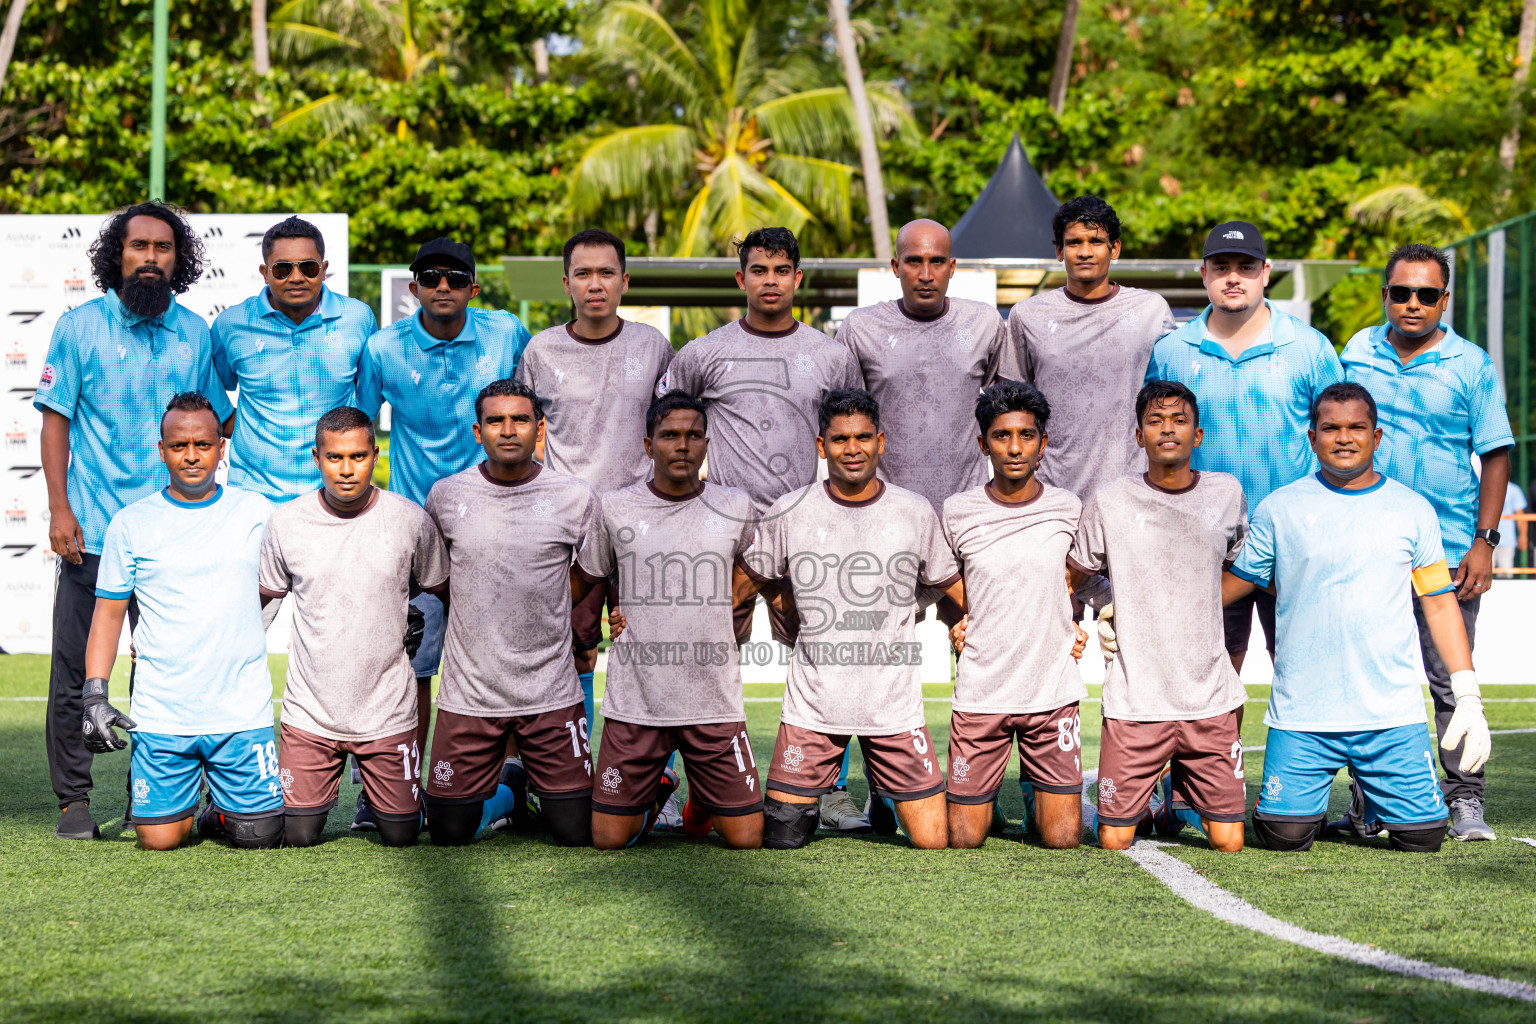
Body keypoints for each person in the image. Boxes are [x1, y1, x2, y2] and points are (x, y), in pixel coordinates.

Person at [35, 201, 233, 840]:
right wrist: (60, 508)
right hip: (91, 531)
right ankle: (74, 801)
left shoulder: (194, 334)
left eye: (163, 248)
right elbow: (55, 419)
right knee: (75, 670)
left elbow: (209, 423)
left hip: (172, 536)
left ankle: (154, 794)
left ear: (180, 260)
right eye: (138, 246)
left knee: (169, 668)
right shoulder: (77, 328)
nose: (150, 257)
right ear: (115, 256)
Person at [1225, 383, 1491, 854]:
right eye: (1330, 428)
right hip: (1303, 715)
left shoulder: (1412, 510)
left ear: (1377, 436)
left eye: (1356, 428)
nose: (1343, 438)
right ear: (1312, 438)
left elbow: (1438, 602)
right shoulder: (1280, 508)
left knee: (1424, 838)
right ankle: (1330, 804)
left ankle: (1368, 801)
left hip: (1390, 715)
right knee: (1282, 837)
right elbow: (1237, 584)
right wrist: (1142, 609)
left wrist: (1467, 692)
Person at [662, 225, 861, 829]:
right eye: (759, 270)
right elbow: (675, 422)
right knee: (704, 657)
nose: (769, 280)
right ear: (741, 278)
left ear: (797, 279)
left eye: (781, 270)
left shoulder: (831, 355)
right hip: (724, 532)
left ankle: (829, 788)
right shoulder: (702, 353)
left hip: (808, 529)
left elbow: (851, 432)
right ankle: (683, 786)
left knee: (825, 656)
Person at [354, 237, 531, 829]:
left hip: (496, 525)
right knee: (412, 671)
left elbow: (533, 418)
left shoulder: (506, 333)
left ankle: (507, 787)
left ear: (473, 288)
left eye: (455, 278)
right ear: (414, 289)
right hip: (417, 535)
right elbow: (357, 430)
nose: (442, 288)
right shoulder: (381, 347)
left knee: (500, 661)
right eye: (430, 278)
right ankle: (397, 784)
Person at [1338, 243, 1513, 842]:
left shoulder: (1471, 364)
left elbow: (1495, 453)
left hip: (1449, 549)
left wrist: (1485, 541)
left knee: (1448, 679)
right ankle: (1370, 805)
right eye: (1401, 293)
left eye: (1427, 294)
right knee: (1372, 679)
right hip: (1368, 544)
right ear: (1385, 294)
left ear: (1445, 299)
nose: (1413, 304)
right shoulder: (1357, 350)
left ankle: (1464, 802)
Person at [746, 388, 965, 851]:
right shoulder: (791, 509)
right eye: (840, 439)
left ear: (881, 442)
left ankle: (885, 796)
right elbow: (746, 580)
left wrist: (969, 623)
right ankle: (870, 792)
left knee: (934, 841)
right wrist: (782, 605)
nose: (852, 449)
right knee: (779, 838)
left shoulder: (913, 510)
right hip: (813, 707)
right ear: (820, 446)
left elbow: (952, 586)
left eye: (863, 437)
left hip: (892, 706)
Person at [79, 393, 280, 851]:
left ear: (221, 447)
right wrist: (94, 694)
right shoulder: (131, 524)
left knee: (261, 837)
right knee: (158, 839)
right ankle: (193, 804)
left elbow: (301, 578)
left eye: (203, 445)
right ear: (162, 449)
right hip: (164, 712)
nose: (192, 456)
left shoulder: (255, 512)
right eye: (179, 446)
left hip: (240, 710)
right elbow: (108, 615)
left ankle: (221, 808)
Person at [1145, 221, 1342, 671]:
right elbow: (1155, 445)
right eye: (1222, 266)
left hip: (1293, 541)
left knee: (1302, 671)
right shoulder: (1171, 351)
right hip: (1203, 543)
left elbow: (1341, 442)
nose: (1234, 276)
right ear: (1204, 274)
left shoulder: (1310, 348)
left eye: (1246, 266)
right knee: (1207, 676)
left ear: (1266, 272)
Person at [575, 391, 765, 850]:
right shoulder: (616, 506)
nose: (683, 445)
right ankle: (660, 788)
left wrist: (732, 619)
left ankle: (702, 802)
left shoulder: (735, 506)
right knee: (606, 841)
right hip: (637, 704)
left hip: (713, 702)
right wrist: (602, 624)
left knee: (747, 840)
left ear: (706, 443)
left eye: (694, 435)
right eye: (670, 435)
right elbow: (589, 579)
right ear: (648, 445)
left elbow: (757, 571)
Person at [1067, 381, 1248, 853]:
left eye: (1179, 421)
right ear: (1138, 435)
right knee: (1113, 839)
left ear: (1198, 435)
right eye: (1155, 421)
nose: (1168, 430)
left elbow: (1245, 566)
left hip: (1206, 695)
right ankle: (1148, 801)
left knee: (1229, 842)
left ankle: (1178, 798)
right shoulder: (1111, 499)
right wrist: (1109, 603)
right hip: (1136, 696)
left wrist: (1202, 602)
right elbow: (1078, 571)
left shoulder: (1226, 492)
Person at [258, 406, 449, 848]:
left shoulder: (409, 519)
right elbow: (261, 608)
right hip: (311, 711)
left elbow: (445, 592)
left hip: (385, 709)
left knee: (402, 835)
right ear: (316, 458)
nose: (347, 469)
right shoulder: (287, 522)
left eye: (358, 457)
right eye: (335, 458)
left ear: (375, 454)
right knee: (296, 833)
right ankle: (225, 811)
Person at [424, 380, 600, 847]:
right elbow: (437, 577)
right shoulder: (446, 496)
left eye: (520, 420)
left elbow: (594, 569)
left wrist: (553, 603)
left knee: (578, 832)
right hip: (470, 694)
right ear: (477, 432)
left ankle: (523, 783)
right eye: (496, 421)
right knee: (446, 831)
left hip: (551, 691)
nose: (508, 430)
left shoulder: (574, 496)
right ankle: (510, 791)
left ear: (538, 430)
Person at [514, 229, 674, 733]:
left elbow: (673, 430)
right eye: (583, 274)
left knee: (646, 656)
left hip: (640, 530)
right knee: (572, 656)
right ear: (566, 283)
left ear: (624, 281)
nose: (595, 284)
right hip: (568, 532)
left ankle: (656, 788)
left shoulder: (653, 347)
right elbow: (520, 435)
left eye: (606, 272)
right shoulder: (541, 351)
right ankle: (574, 772)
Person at [942, 381, 1089, 849]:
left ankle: (1034, 795)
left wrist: (1074, 622)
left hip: (1050, 689)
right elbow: (943, 580)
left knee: (1064, 838)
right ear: (983, 443)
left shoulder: (1068, 507)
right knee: (964, 838)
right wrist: (959, 620)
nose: (1014, 447)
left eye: (1026, 435)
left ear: (1043, 444)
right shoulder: (957, 511)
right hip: (982, 691)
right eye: (1002, 436)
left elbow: (1078, 578)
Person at [1001, 195, 1176, 502]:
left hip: (1131, 490)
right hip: (1050, 493)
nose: (1084, 252)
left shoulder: (1151, 311)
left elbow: (1171, 401)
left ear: (1115, 249)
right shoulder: (1028, 315)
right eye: (1073, 242)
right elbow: (1009, 407)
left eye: (1096, 241)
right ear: (1059, 251)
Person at [836, 219, 1008, 515]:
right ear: (895, 266)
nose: (926, 275)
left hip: (968, 510)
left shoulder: (984, 324)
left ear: (952, 268)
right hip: (886, 509)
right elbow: (841, 423)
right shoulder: (862, 328)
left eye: (937, 262)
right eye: (914, 261)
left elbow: (1009, 414)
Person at [211, 217, 378, 505]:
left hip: (333, 494)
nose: (297, 277)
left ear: (324, 270)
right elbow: (212, 391)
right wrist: (250, 426)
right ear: (265, 273)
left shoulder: (358, 319)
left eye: (309, 268)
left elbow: (367, 404)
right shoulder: (231, 324)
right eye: (283, 269)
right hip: (253, 496)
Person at [1495, 481, 1527, 578]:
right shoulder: (1482, 486)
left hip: (1506, 540)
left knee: (1505, 576)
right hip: (1484, 538)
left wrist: (1523, 536)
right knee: (1481, 576)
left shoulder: (1514, 489)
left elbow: (1520, 516)